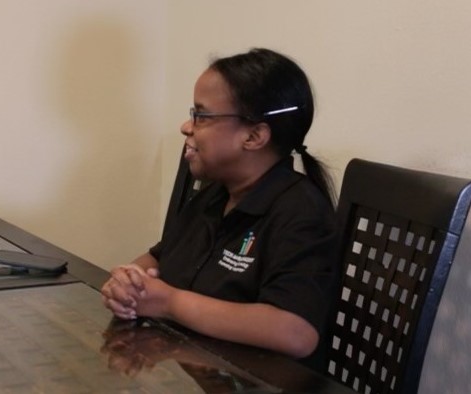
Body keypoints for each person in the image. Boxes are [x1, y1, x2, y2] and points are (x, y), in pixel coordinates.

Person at [101, 48, 338, 371]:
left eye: (201, 115)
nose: (187, 126)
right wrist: (128, 282)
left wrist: (170, 303)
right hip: (195, 368)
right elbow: (160, 257)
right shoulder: (215, 194)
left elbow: (295, 332)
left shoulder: (300, 210)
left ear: (254, 136)